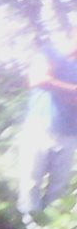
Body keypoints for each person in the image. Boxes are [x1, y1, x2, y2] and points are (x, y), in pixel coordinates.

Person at [18, 28, 77, 218]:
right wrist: (71, 89)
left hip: (70, 132)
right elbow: (37, 79)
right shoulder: (49, 52)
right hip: (39, 126)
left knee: (59, 188)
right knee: (30, 182)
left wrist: (54, 82)